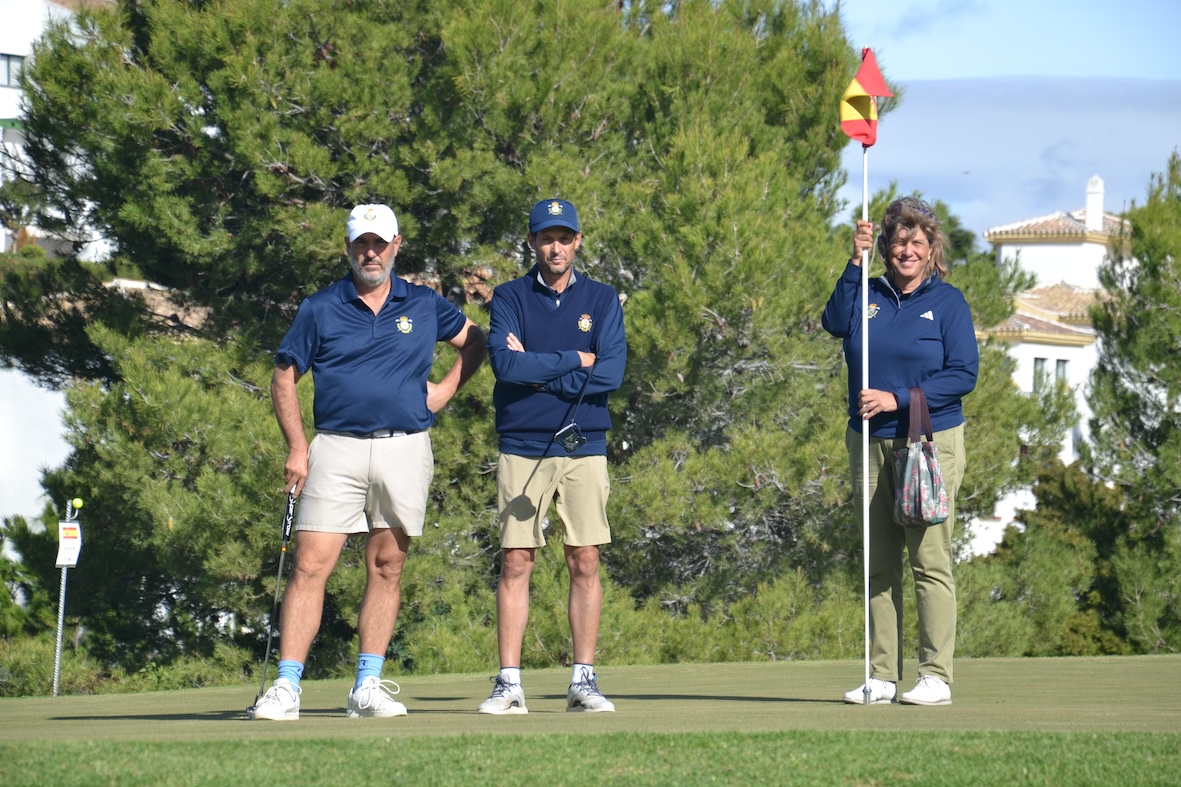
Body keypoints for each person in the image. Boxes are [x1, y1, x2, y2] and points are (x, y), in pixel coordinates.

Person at [251, 203, 486, 721]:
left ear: (397, 245)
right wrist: (297, 447)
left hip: (405, 447)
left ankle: (367, 685)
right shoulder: (321, 307)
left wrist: (445, 391)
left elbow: (475, 341)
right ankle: (287, 687)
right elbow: (284, 377)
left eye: (380, 243)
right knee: (310, 565)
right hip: (336, 447)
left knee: (387, 566)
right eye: (362, 244)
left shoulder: (423, 303)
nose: (371, 253)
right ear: (348, 248)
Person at [822, 196, 978, 706]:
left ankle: (936, 677)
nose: (907, 251)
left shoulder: (948, 303)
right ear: (885, 247)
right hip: (868, 441)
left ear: (932, 248)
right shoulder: (866, 293)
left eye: (917, 242)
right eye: (898, 242)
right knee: (878, 561)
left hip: (927, 442)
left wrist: (898, 398)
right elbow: (834, 321)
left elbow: (963, 374)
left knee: (929, 560)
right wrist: (855, 260)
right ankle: (882, 676)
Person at [477, 198, 627, 715]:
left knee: (585, 558)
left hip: (585, 444)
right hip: (522, 444)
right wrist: (575, 360)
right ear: (532, 242)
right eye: (546, 238)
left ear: (578, 241)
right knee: (516, 559)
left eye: (564, 237)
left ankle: (583, 680)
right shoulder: (509, 296)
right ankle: (509, 684)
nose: (555, 247)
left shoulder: (601, 299)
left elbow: (610, 373)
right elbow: (505, 367)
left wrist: (539, 370)